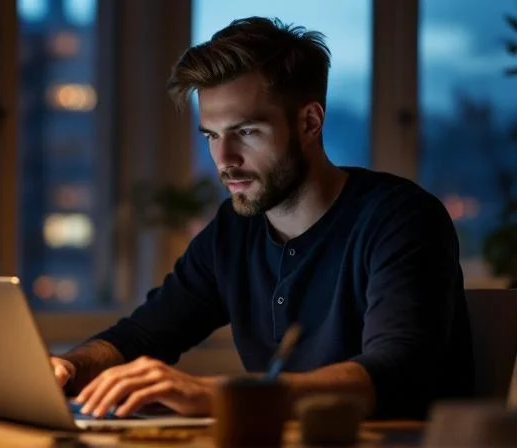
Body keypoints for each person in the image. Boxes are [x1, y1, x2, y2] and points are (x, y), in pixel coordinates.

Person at [50, 16, 475, 420]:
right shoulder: (233, 231)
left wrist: (216, 395)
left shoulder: (401, 220)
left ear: (310, 122)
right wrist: (66, 369)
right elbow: (140, 337)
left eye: (247, 132)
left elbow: (395, 374)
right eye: (212, 136)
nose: (224, 160)